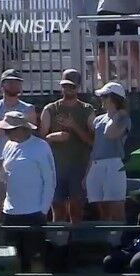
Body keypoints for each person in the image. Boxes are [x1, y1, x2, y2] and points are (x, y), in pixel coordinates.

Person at [0, 111, 56, 276]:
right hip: (11, 214)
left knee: (36, 260)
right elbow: (5, 179)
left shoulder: (41, 147)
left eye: (9, 130)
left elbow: (50, 181)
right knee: (14, 261)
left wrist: (42, 210)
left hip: (33, 214)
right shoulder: (8, 146)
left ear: (21, 129)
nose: (6, 133)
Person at [0, 69, 37, 222]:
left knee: (22, 207)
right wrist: (2, 128)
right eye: (10, 82)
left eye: (17, 82)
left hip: (21, 164)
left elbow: (33, 137)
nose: (14, 85)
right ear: (2, 85)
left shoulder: (28, 109)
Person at [40, 69, 95, 224]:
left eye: (72, 86)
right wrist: (53, 137)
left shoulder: (87, 110)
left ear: (78, 87)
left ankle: (75, 238)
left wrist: (74, 127)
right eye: (65, 86)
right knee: (58, 210)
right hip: (55, 167)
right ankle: (59, 238)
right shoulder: (50, 109)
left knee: (76, 210)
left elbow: (93, 142)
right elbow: (40, 140)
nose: (68, 89)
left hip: (79, 167)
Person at [87, 81, 130, 222]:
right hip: (96, 165)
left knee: (116, 207)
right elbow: (95, 146)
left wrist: (117, 114)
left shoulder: (124, 118)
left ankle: (119, 235)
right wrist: (87, 172)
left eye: (105, 96)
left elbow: (110, 133)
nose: (102, 99)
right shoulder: (98, 120)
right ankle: (105, 235)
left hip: (114, 165)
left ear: (114, 99)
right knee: (101, 208)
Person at [95, 0, 140, 86]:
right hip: (111, 8)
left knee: (132, 47)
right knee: (104, 47)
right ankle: (106, 86)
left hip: (125, 9)